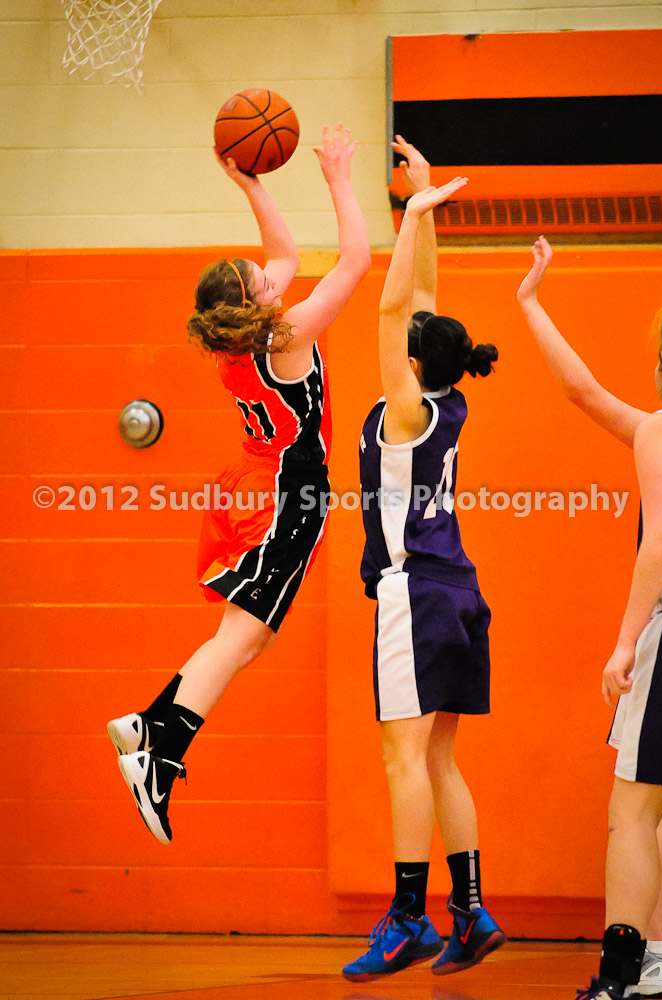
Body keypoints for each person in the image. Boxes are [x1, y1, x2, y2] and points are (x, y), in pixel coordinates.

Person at [107, 123, 371, 844]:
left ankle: (153, 725)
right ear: (258, 302)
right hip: (286, 495)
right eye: (261, 278)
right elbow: (354, 261)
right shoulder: (288, 338)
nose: (272, 272)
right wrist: (340, 179)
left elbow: (284, 254)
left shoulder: (243, 337)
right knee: (240, 639)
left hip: (256, 482)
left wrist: (251, 183)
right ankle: (159, 747)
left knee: (246, 639)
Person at [342, 138, 505, 983]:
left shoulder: (401, 412)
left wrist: (409, 215)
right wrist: (430, 200)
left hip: (415, 594)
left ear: (413, 360)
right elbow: (424, 299)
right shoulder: (446, 399)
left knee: (402, 759)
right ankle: (470, 911)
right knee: (439, 758)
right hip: (461, 592)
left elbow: (390, 307)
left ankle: (408, 917)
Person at [517, 237, 662, 1000]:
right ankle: (659, 965)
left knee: (633, 810)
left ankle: (618, 975)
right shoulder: (649, 429)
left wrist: (624, 639)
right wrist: (532, 305)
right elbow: (588, 395)